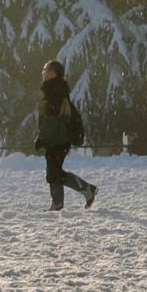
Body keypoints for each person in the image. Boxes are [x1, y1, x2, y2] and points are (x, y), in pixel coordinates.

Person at [34, 60, 98, 211]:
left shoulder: (55, 92)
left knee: (54, 171)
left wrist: (42, 138)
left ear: (54, 73)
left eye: (46, 69)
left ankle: (84, 191)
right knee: (53, 170)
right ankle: (60, 201)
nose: (43, 72)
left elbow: (53, 121)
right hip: (57, 138)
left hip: (59, 139)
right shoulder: (54, 90)